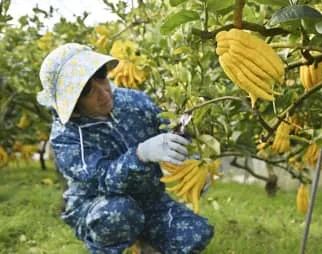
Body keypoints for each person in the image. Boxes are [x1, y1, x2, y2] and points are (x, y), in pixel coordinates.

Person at [37, 43, 214, 254]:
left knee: (196, 233)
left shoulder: (133, 101)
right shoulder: (66, 137)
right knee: (118, 214)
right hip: (99, 205)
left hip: (150, 199)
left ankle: (145, 240)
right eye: (86, 90)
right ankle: (107, 246)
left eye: (101, 76)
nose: (102, 92)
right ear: (73, 102)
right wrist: (141, 154)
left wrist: (191, 163)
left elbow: (169, 133)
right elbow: (103, 180)